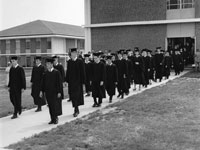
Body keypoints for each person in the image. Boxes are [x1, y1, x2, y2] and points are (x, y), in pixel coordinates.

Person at [41, 57, 63, 124]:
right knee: (50, 105)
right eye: (46, 64)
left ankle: (56, 118)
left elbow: (59, 83)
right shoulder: (45, 73)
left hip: (55, 92)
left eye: (48, 64)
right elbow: (43, 83)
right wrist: (42, 91)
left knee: (55, 105)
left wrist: (59, 92)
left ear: (51, 64)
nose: (47, 65)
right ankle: (52, 118)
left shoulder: (56, 72)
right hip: (48, 92)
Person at [65, 48, 86, 117]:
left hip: (78, 82)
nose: (73, 54)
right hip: (71, 82)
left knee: (77, 95)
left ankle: (76, 109)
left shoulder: (80, 61)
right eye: (72, 53)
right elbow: (68, 72)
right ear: (71, 54)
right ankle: (76, 108)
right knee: (73, 96)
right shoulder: (69, 62)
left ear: (76, 53)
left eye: (74, 53)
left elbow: (83, 72)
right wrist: (66, 80)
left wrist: (83, 81)